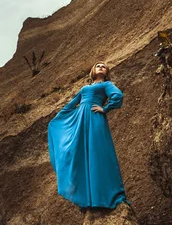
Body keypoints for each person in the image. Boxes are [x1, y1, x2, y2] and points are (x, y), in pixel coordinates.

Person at [47, 61, 129, 212]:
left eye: (104, 66)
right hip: (80, 121)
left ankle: (102, 196)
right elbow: (71, 104)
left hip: (95, 119)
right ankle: (87, 198)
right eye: (98, 65)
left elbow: (118, 96)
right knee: (80, 154)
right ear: (93, 70)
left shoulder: (107, 85)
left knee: (97, 154)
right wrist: (58, 119)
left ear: (106, 72)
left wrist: (105, 108)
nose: (101, 67)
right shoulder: (85, 88)